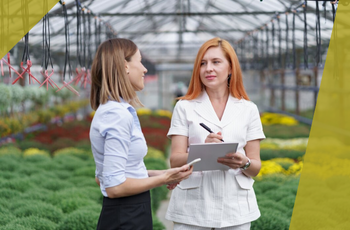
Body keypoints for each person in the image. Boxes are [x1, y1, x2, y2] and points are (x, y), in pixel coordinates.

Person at [89, 38, 193, 230]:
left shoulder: (116, 110)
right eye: (140, 60)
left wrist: (163, 173)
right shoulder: (117, 114)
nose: (145, 69)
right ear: (124, 66)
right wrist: (163, 179)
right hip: (126, 216)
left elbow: (110, 174)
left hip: (128, 212)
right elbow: (114, 187)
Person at [165, 37, 266, 230]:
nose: (208, 68)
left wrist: (244, 162)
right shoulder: (184, 107)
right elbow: (175, 161)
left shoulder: (248, 109)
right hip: (192, 209)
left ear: (230, 68)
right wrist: (203, 151)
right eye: (202, 63)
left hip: (235, 209)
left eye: (216, 62)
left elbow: (255, 166)